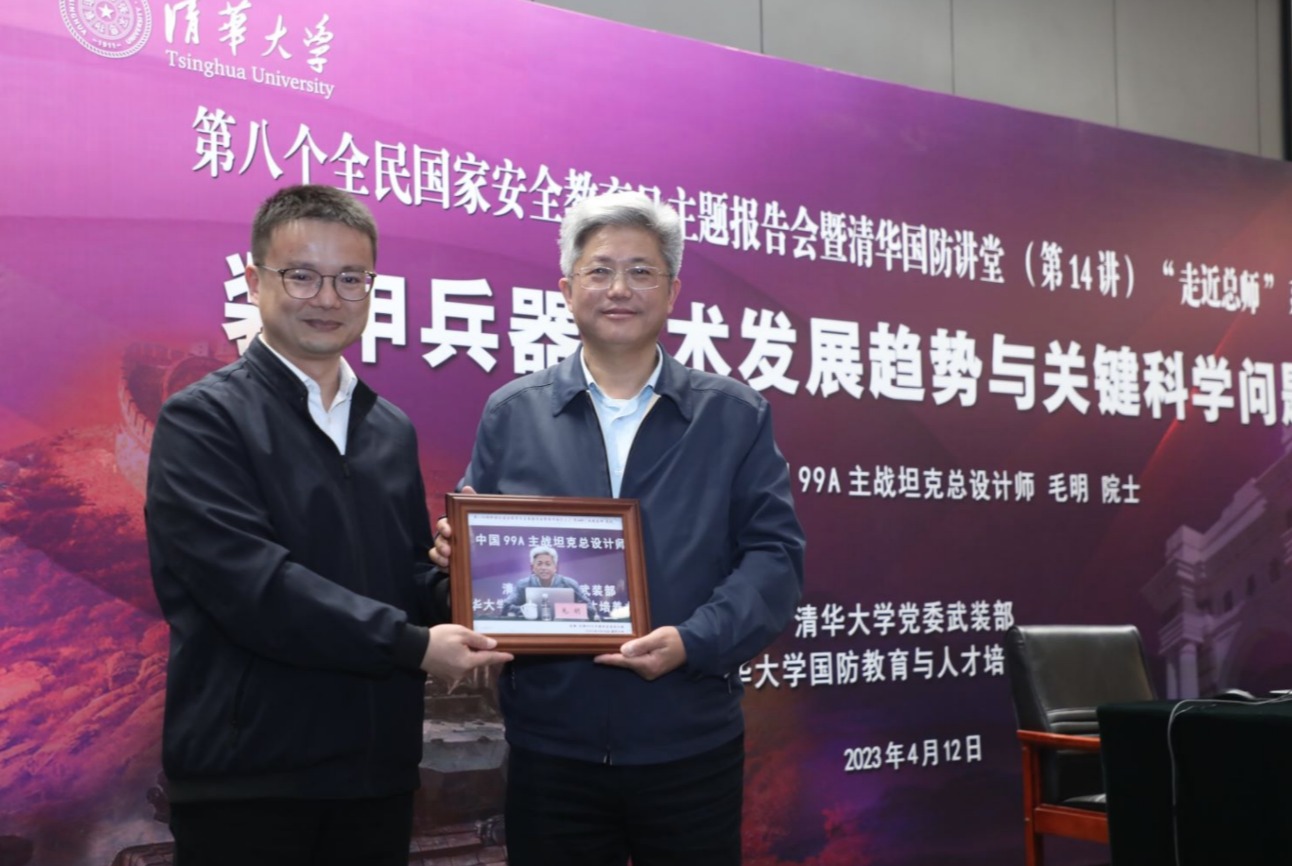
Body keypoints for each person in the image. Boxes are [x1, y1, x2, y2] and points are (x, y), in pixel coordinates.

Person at [432, 190, 805, 865]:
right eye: (600, 270)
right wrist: (459, 555)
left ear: (673, 291)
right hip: (552, 746)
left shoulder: (733, 416)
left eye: (641, 271)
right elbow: (480, 549)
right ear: (567, 289)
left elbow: (774, 560)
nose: (619, 289)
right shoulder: (513, 413)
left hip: (689, 738)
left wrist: (693, 641)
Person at [145, 183, 512, 866]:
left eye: (350, 279)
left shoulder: (389, 429)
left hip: (376, 777)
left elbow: (403, 576)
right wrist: (413, 646)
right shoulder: (203, 420)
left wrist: (470, 584)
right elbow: (253, 586)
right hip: (251, 780)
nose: (328, 298)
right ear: (255, 281)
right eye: (302, 276)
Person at [499, 545, 599, 618]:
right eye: (539, 564)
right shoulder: (523, 584)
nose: (543, 568)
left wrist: (569, 610)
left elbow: (591, 610)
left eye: (548, 564)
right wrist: (524, 610)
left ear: (555, 567)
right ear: (532, 568)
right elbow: (506, 606)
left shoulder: (569, 584)